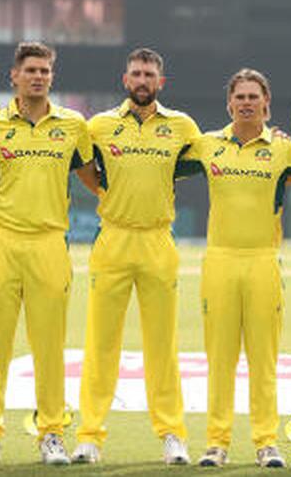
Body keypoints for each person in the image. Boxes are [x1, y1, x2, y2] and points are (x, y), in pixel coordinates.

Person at [0, 43, 98, 465]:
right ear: (14, 76)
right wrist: (4, 210)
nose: (38, 76)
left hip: (50, 245)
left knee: (49, 347)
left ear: (52, 77)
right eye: (31, 70)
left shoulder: (74, 124)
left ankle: (52, 434)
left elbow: (91, 178)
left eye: (45, 70)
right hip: (2, 243)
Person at [71, 48, 201, 465]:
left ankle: (172, 434)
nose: (142, 80)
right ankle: (89, 435)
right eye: (136, 74)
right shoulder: (100, 126)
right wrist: (111, 196)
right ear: (125, 80)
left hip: (158, 240)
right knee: (101, 344)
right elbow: (84, 169)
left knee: (162, 344)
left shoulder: (182, 126)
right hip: (113, 239)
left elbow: (210, 157)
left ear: (161, 83)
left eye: (149, 74)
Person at [176, 69, 291, 468]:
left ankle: (266, 441)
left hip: (262, 262)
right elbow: (159, 166)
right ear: (229, 103)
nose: (247, 102)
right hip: (219, 260)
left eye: (255, 96)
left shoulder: (286, 150)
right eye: (241, 97)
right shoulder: (206, 145)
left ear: (267, 104)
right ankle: (216, 442)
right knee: (219, 358)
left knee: (263, 359)